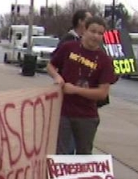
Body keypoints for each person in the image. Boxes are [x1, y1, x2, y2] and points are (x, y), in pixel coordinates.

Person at [47, 16, 117, 155]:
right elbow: (50, 65)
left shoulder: (105, 60)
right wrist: (57, 76)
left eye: (100, 33)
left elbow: (102, 93)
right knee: (61, 154)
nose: (96, 36)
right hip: (63, 112)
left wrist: (75, 90)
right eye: (93, 31)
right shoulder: (68, 48)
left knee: (84, 155)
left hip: (87, 116)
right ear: (84, 31)